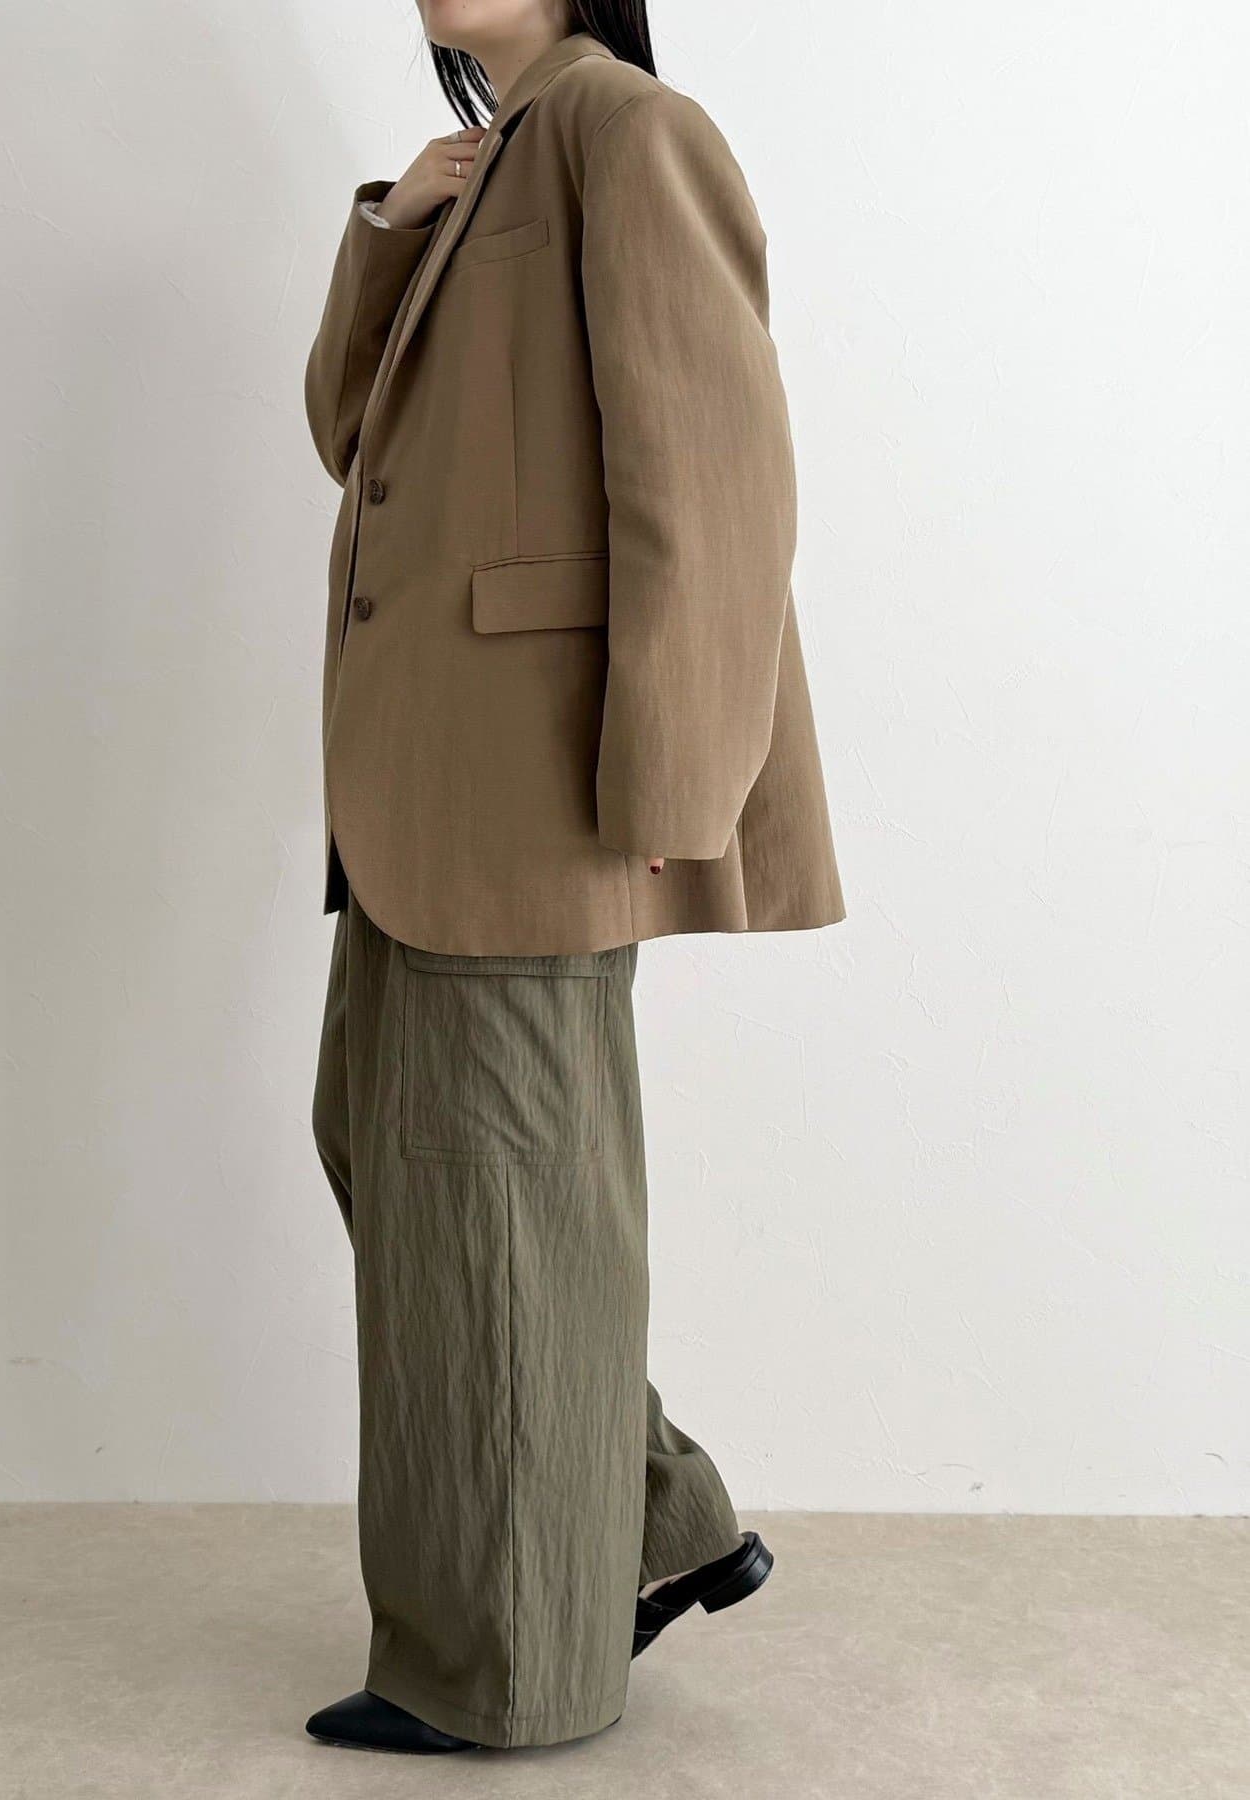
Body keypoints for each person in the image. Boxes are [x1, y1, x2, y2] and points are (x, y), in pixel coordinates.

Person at [301, 0, 843, 1755]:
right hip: (430, 784)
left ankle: (509, 1672)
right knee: (404, 1155)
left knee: (495, 1189)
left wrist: (680, 776)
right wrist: (398, 227)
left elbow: (716, 470)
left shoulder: (627, 132)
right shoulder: (490, 166)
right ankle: (656, 1522)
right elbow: (346, 431)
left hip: (537, 784)